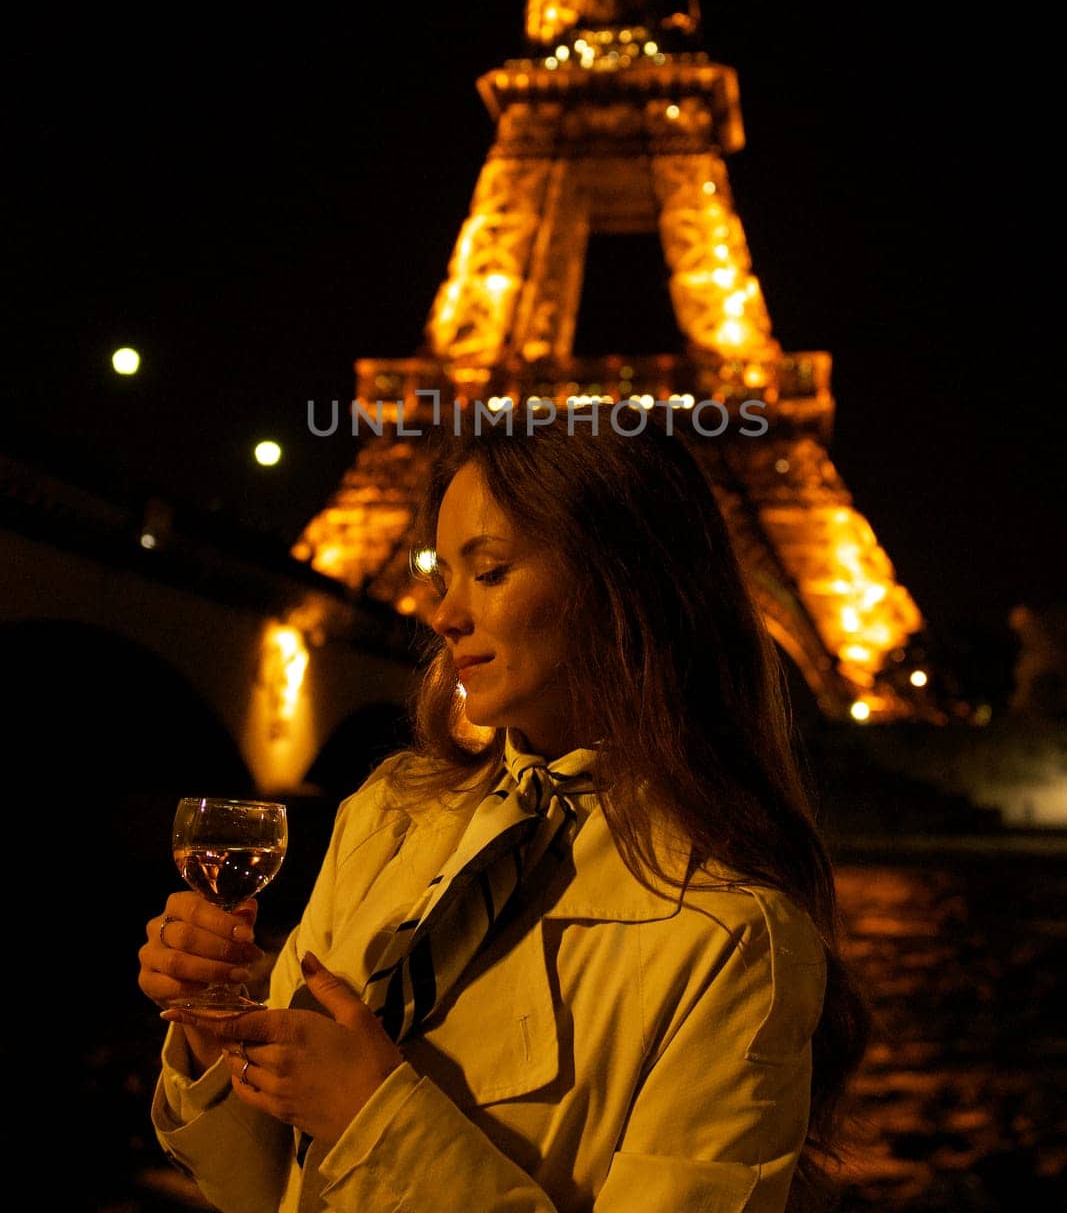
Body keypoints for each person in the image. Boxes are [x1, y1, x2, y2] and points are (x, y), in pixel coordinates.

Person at [138, 410, 870, 1212]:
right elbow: (260, 1189)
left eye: (488, 572)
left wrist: (372, 1120)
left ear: (622, 585)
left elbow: (346, 1137)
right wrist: (218, 1034)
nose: (446, 615)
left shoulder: (732, 939)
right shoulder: (388, 815)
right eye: (441, 577)